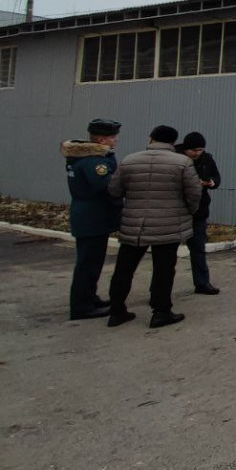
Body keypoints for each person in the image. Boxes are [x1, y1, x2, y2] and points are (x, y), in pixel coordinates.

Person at [106, 125, 201, 329]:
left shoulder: (129, 160)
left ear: (151, 139)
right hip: (168, 225)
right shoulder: (182, 163)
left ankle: (116, 311)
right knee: (164, 269)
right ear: (173, 143)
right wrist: (187, 211)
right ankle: (161, 312)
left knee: (124, 268)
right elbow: (194, 194)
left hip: (134, 225)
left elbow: (114, 190)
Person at [63, 118, 123, 321]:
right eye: (112, 137)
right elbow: (107, 188)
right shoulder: (95, 161)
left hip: (87, 215)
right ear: (101, 139)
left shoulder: (79, 158)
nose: (115, 141)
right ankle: (82, 306)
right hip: (94, 217)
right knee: (88, 263)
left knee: (91, 262)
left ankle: (89, 297)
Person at [177, 132, 222, 295]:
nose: (197, 153)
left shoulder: (206, 159)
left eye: (200, 150)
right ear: (186, 149)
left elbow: (216, 176)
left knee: (198, 249)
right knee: (167, 254)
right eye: (194, 150)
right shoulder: (176, 159)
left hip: (199, 211)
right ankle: (160, 288)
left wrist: (212, 182)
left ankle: (202, 283)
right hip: (178, 211)